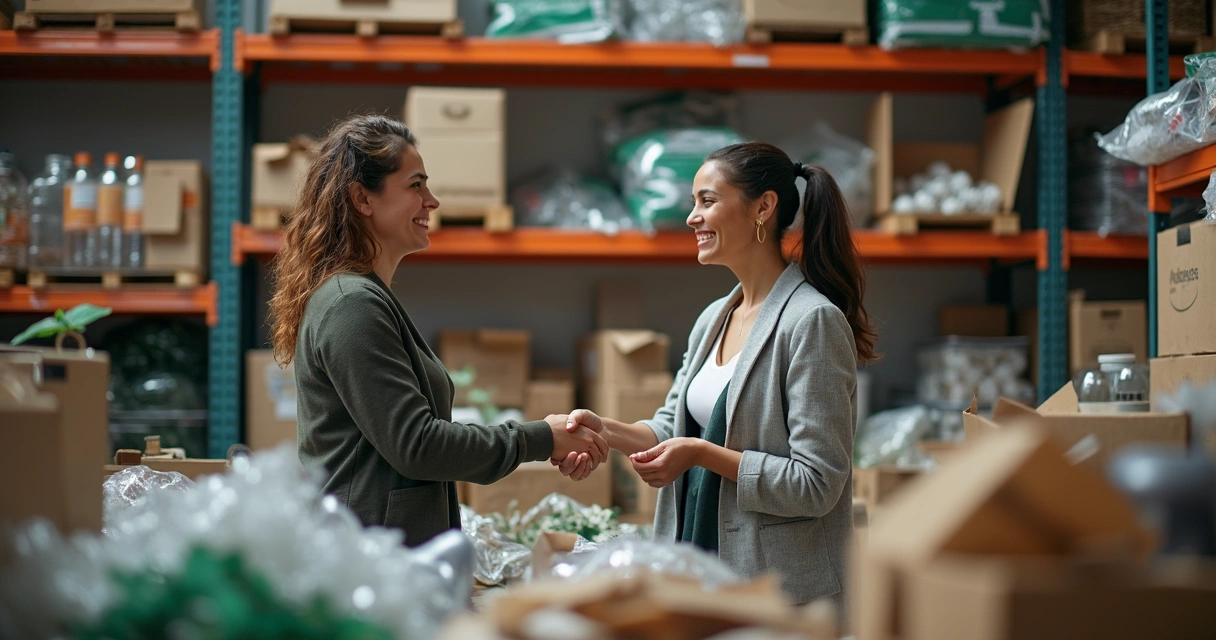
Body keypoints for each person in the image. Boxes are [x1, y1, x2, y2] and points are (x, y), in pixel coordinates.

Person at [555, 142, 877, 612]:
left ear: (763, 207)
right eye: (693, 202)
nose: (691, 217)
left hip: (781, 595)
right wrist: (604, 431)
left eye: (707, 200)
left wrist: (702, 454)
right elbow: (673, 427)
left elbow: (816, 484)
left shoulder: (812, 321)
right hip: (699, 567)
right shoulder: (714, 318)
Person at [269, 114, 608, 547]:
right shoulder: (351, 304)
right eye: (415, 185)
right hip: (370, 565)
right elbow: (417, 445)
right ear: (362, 199)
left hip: (383, 554)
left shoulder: (365, 297)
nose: (432, 201)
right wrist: (541, 438)